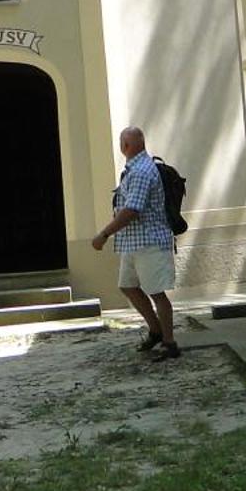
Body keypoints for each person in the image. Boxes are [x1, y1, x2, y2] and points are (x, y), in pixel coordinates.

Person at [91, 125, 180, 361]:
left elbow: (132, 209)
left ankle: (169, 343)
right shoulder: (135, 168)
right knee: (128, 286)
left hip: (149, 241)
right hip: (133, 242)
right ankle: (155, 331)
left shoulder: (140, 171)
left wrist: (104, 234)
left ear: (125, 146)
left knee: (156, 293)